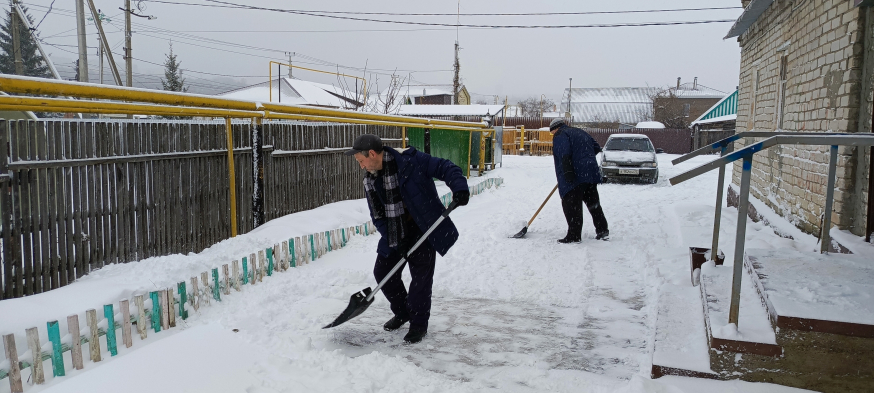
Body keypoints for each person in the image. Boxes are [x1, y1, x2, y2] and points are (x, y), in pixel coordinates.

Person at [345, 134, 470, 344]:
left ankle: (419, 325)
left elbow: (445, 167)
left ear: (373, 154)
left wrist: (460, 188)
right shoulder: (370, 179)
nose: (361, 166)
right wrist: (395, 240)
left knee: (420, 280)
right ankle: (403, 312)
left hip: (424, 227)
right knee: (383, 271)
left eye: (361, 161)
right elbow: (378, 216)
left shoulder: (412, 161)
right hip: (395, 230)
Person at [549, 118, 609, 243]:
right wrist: (584, 158)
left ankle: (574, 235)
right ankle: (602, 230)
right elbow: (596, 147)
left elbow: (564, 153)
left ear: (555, 128)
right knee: (593, 204)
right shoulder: (580, 132)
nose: (553, 135)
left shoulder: (561, 134)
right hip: (591, 173)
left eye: (552, 132)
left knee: (571, 205)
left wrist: (568, 173)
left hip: (575, 175)